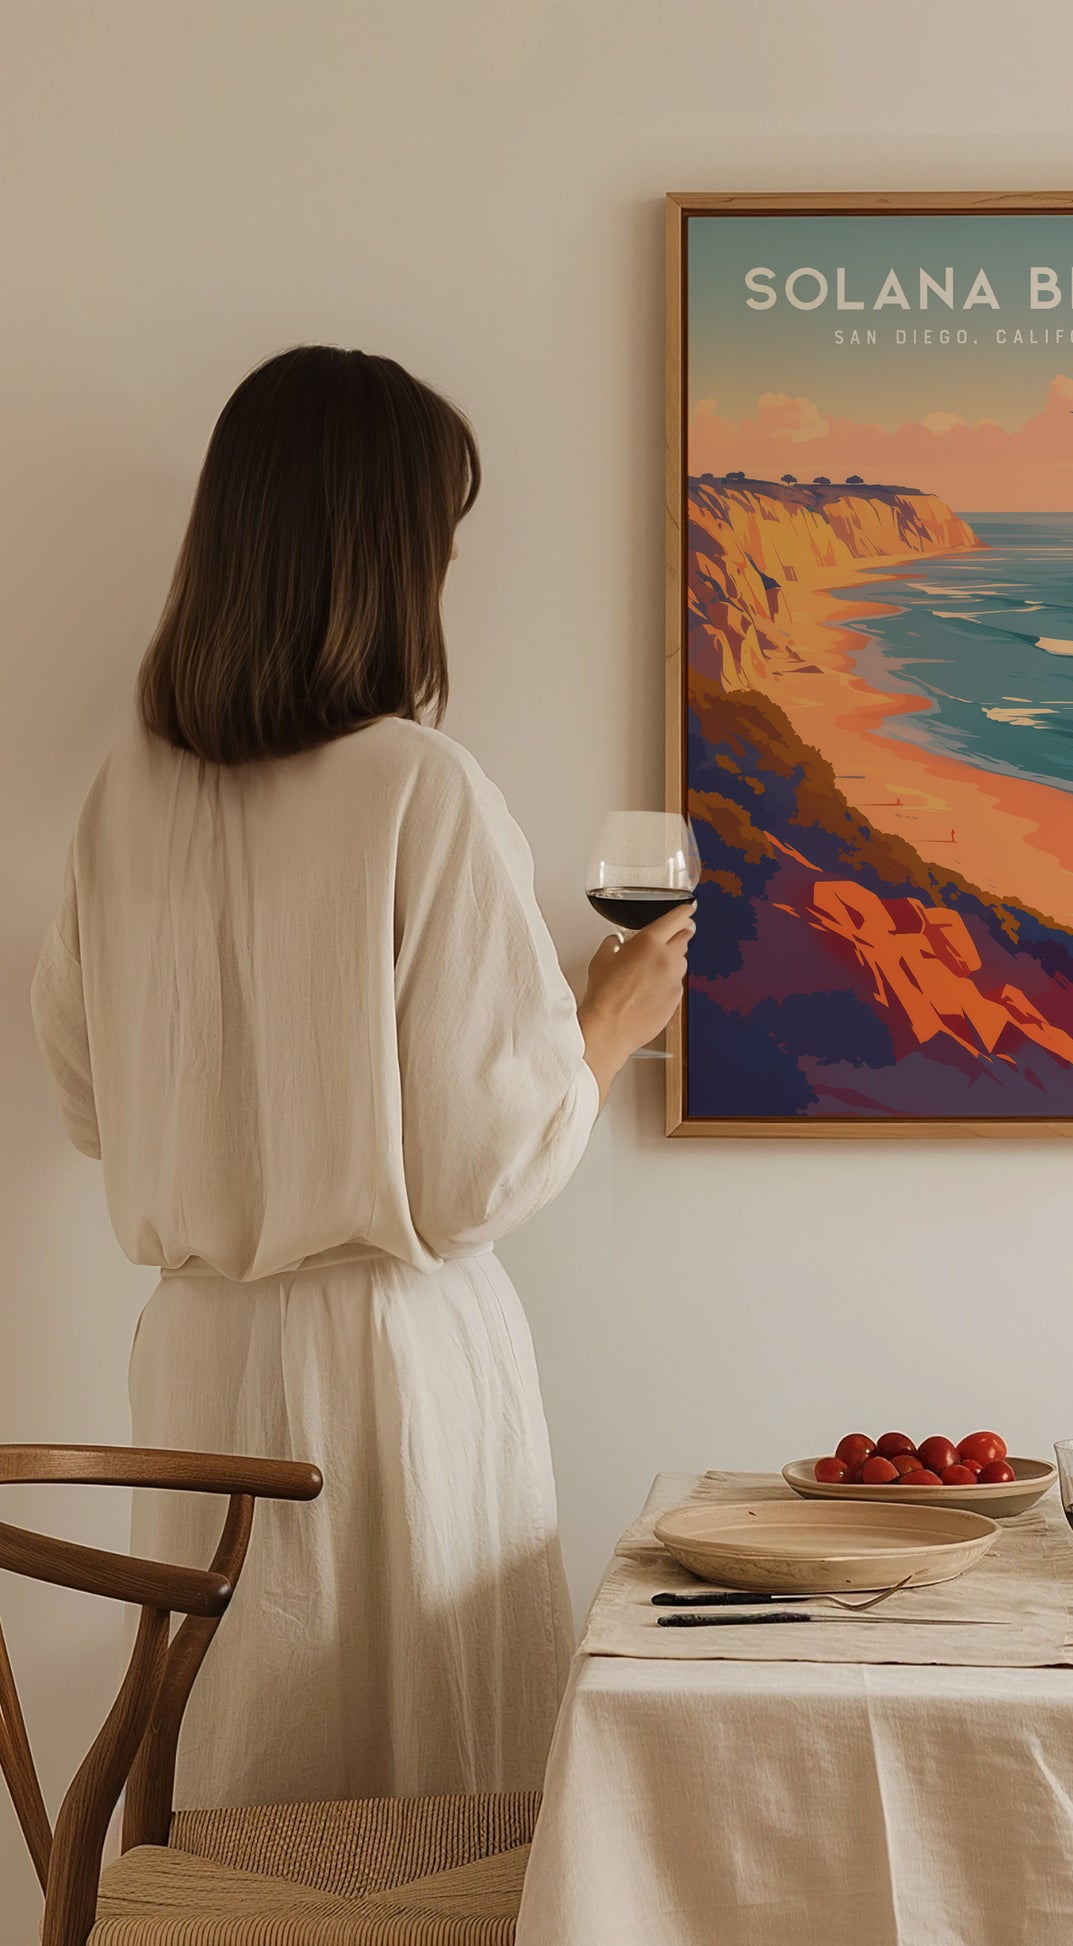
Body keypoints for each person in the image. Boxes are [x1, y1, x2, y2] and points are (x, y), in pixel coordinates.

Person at [29, 345, 689, 1806]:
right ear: (387, 554)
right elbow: (473, 1176)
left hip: (197, 1363)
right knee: (427, 1806)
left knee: (238, 1782)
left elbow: (87, 1100)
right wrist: (605, 1023)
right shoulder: (418, 786)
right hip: (390, 1370)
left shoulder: (125, 797)